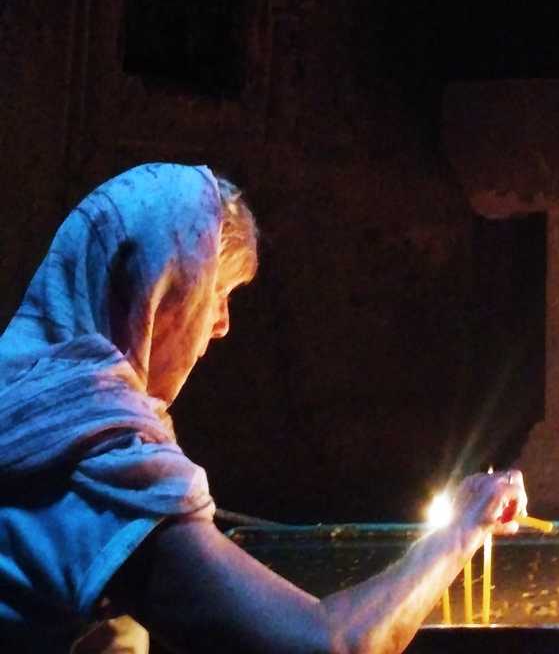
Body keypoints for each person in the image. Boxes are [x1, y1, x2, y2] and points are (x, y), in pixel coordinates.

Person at [0, 162, 526, 654]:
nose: (222, 325)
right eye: (215, 294)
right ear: (159, 290)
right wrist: (464, 526)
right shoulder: (95, 460)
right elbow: (327, 644)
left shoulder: (27, 396)